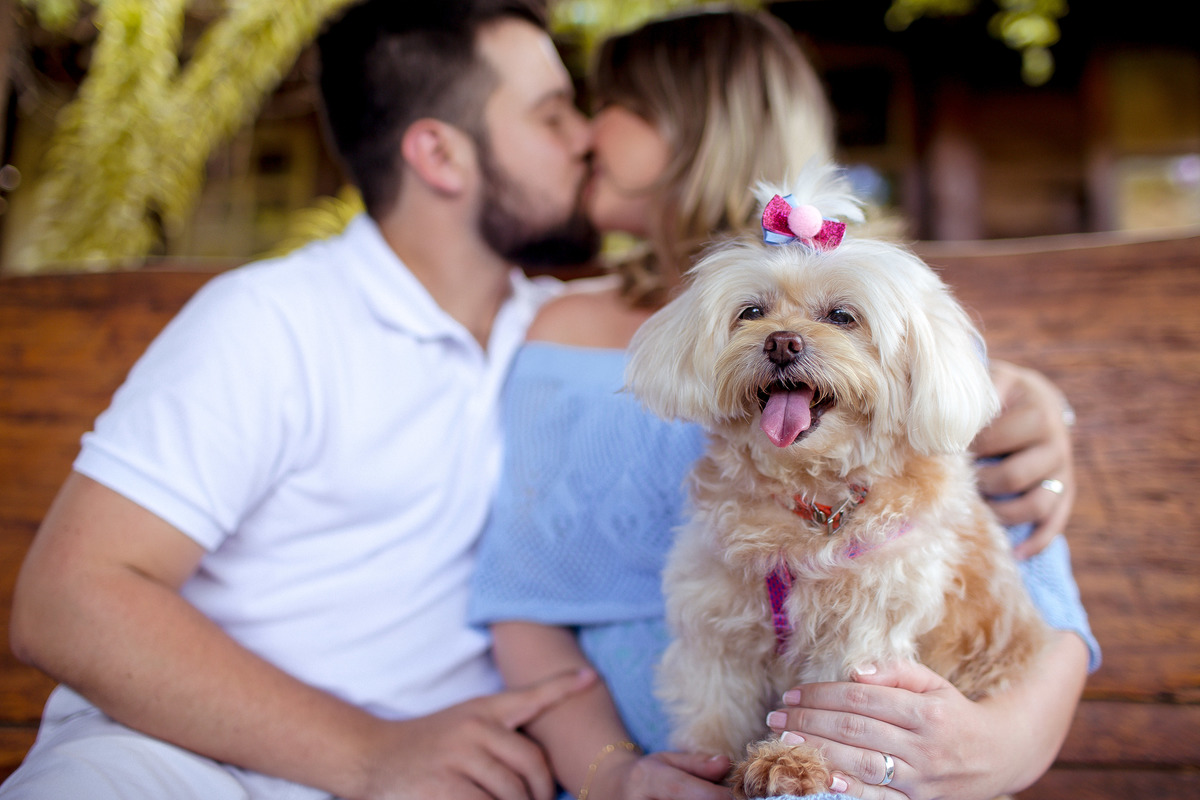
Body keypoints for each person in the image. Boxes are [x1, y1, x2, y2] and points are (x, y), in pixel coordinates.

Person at [469, 9, 1099, 800]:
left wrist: (1001, 752)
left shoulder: (898, 323)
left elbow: (1039, 605)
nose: (588, 134)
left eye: (612, 104)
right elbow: (528, 601)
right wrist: (614, 778)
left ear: (693, 124)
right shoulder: (562, 330)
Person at [1, 2, 604, 799]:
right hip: (176, 765)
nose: (586, 138)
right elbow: (68, 602)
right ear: (440, 155)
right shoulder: (272, 320)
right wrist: (368, 753)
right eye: (552, 116)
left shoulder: (563, 340)